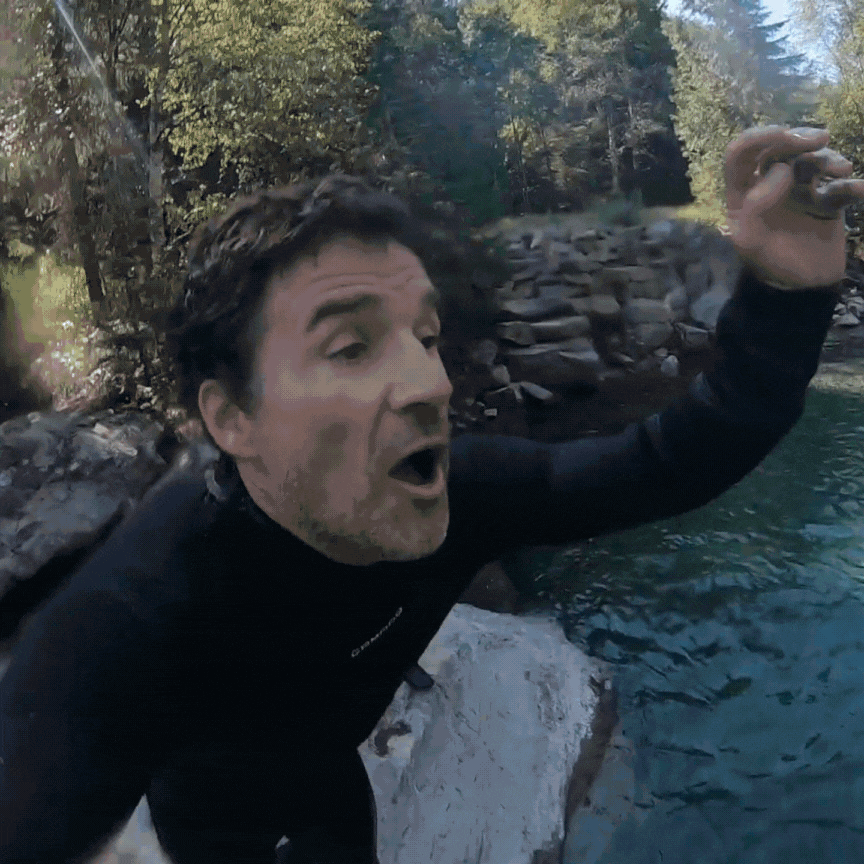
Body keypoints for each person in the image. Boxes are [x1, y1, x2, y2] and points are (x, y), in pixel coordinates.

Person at [1, 125, 863, 864]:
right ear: (232, 419)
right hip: (215, 825)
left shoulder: (466, 492)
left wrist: (789, 297)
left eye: (425, 337)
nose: (432, 384)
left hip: (329, 785)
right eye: (350, 348)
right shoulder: (135, 614)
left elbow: (674, 459)